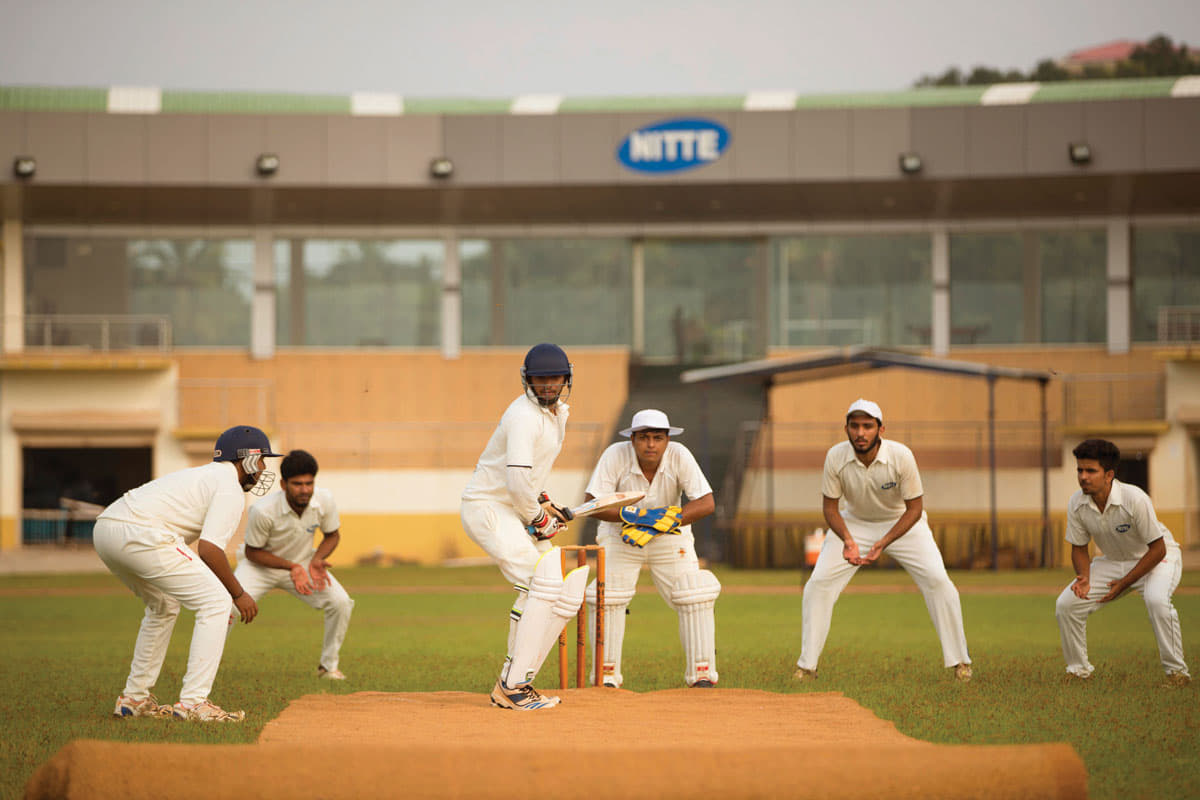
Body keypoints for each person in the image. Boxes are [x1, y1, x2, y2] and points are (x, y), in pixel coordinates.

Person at [93, 425, 280, 722]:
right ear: (246, 459)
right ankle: (193, 703)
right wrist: (239, 594)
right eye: (261, 461)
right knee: (217, 602)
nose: (262, 469)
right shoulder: (229, 486)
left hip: (106, 529)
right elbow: (209, 550)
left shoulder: (206, 475)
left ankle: (134, 698)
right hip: (143, 532)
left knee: (163, 605)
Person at [793, 399, 972, 682]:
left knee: (938, 581)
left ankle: (960, 662)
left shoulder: (901, 456)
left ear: (881, 429)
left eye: (867, 426)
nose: (860, 433)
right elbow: (830, 508)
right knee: (818, 584)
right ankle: (807, 667)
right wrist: (849, 541)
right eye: (855, 426)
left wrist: (884, 542)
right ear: (846, 429)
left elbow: (915, 509)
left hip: (903, 523)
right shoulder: (835, 457)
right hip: (853, 523)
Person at [461, 343, 587, 710]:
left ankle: (514, 677)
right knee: (542, 585)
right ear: (527, 380)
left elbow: (527, 478)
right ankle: (512, 687)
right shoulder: (523, 416)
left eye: (554, 378)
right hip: (489, 507)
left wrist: (544, 504)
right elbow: (516, 484)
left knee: (563, 591)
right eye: (540, 379)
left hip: (511, 507)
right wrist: (538, 519)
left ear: (567, 378)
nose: (548, 385)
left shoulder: (555, 414)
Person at [583, 408, 719, 688]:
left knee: (694, 593)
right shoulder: (615, 455)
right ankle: (606, 677)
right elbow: (592, 503)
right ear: (632, 439)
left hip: (669, 535)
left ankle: (702, 674)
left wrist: (669, 519)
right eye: (644, 437)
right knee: (608, 599)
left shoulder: (679, 454)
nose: (651, 444)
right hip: (621, 534)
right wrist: (633, 517)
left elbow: (706, 503)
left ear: (668, 439)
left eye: (658, 437)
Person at [1055, 439, 1190, 685]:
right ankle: (1078, 671)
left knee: (1156, 600)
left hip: (1159, 559)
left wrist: (1125, 583)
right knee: (1067, 605)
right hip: (1112, 562)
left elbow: (1157, 549)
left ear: (1109, 475)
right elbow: (1079, 547)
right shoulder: (1077, 503)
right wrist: (1083, 577)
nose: (1083, 477)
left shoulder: (1135, 499)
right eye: (1079, 470)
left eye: (1090, 471)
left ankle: (1177, 673)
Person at [228, 449, 355, 680]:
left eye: (309, 483)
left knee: (341, 602)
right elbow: (252, 552)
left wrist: (316, 560)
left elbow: (332, 535)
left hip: (304, 565)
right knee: (227, 609)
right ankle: (205, 669)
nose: (305, 489)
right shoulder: (262, 510)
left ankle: (328, 667)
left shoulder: (324, 500)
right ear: (284, 484)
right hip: (259, 567)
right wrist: (292, 567)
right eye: (298, 484)